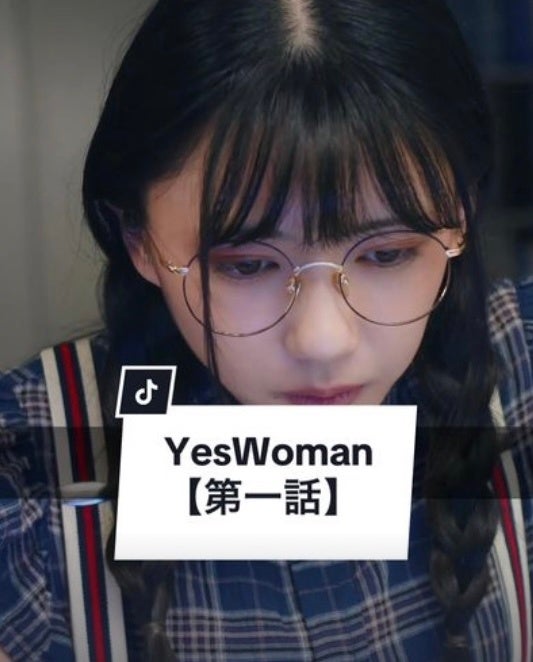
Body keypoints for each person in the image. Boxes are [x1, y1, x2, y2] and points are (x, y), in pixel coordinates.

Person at [1, 0, 532, 660]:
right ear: (137, 239)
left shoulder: (520, 371)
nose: (323, 341)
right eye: (247, 265)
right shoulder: (29, 470)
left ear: (462, 215)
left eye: (387, 254)